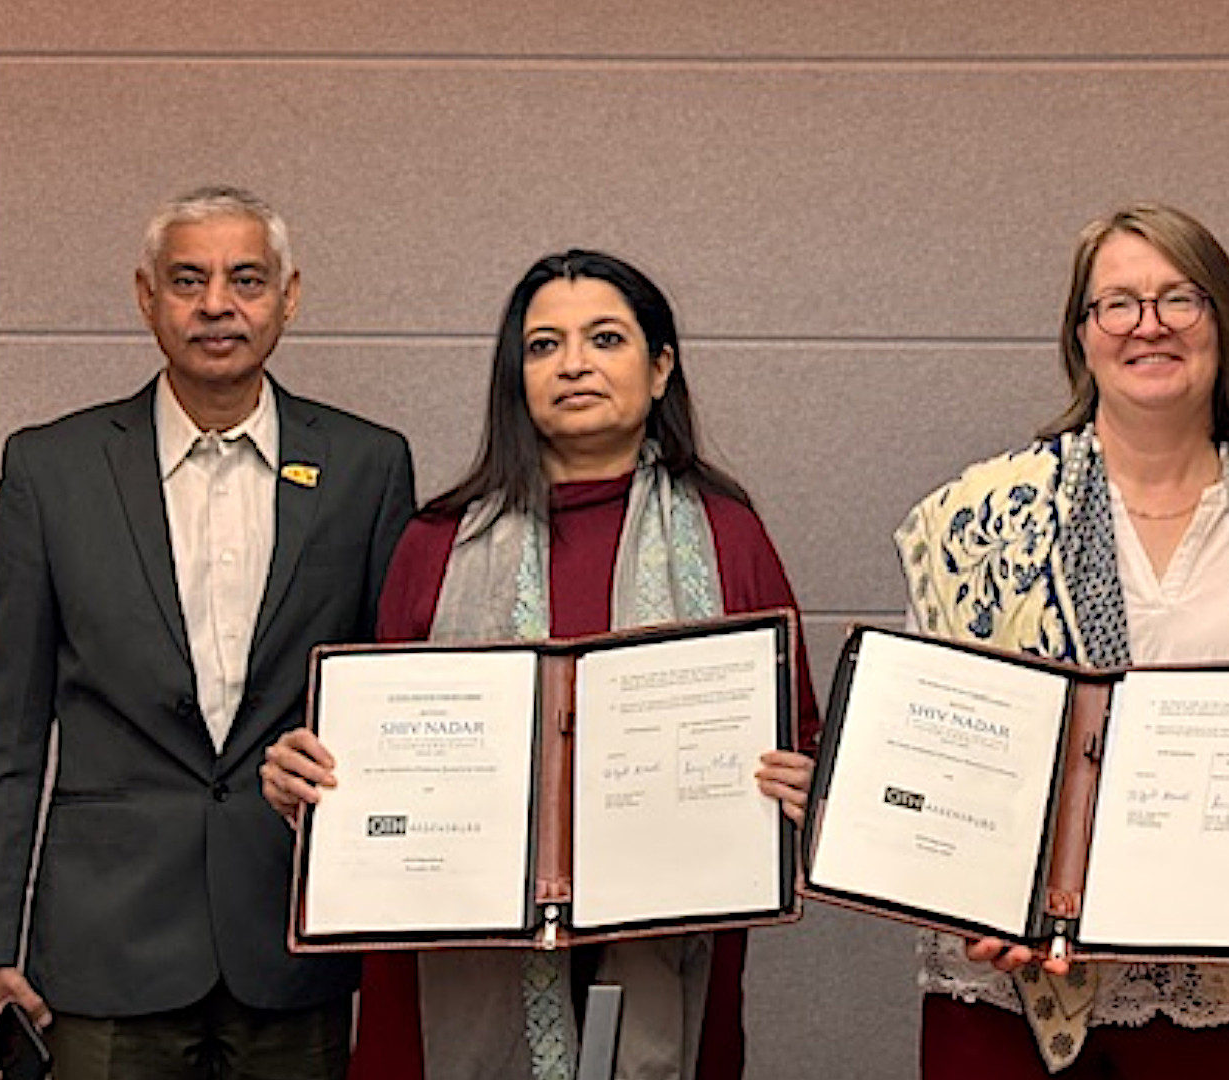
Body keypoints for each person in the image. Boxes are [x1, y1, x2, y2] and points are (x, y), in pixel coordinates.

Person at [261, 249, 819, 1080]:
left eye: (605, 338)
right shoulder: (437, 543)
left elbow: (801, 740)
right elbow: (379, 754)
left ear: (660, 368)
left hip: (665, 950)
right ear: (515, 377)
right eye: (543, 345)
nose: (575, 364)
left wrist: (800, 784)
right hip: (454, 965)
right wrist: (312, 784)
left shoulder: (727, 536)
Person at [894, 202, 1229, 1080]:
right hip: (1021, 989)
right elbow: (944, 747)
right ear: (1081, 336)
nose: (1147, 325)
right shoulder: (979, 519)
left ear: (1223, 326)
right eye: (1116, 303)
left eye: (1180, 299)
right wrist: (981, 893)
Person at [0, 185, 417, 1079]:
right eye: (187, 280)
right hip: (104, 946)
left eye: (246, 279)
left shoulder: (368, 466)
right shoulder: (51, 470)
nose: (216, 305)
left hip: (291, 936)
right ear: (144, 297)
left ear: (290, 297)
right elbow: (2, 733)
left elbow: (390, 703)